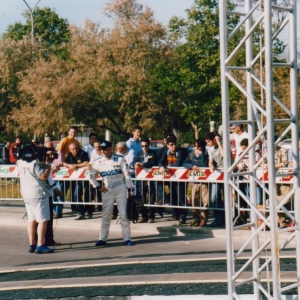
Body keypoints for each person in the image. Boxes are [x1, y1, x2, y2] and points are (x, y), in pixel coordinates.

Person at [89, 140, 133, 246]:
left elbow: (127, 175)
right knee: (106, 214)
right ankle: (102, 238)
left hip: (120, 187)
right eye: (102, 149)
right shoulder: (98, 162)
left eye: (105, 149)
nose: (103, 151)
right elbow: (91, 175)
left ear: (110, 148)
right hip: (107, 189)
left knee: (123, 214)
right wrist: (98, 187)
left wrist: (129, 190)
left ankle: (127, 238)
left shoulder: (120, 159)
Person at [17, 145, 55, 254]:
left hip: (27, 194)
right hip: (38, 194)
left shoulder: (21, 163)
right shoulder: (35, 164)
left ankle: (32, 244)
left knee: (31, 220)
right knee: (43, 220)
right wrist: (49, 165)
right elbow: (43, 176)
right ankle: (40, 244)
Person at [158, 135, 188, 224]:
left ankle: (183, 215)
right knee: (173, 195)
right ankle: (175, 212)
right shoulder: (166, 152)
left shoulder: (180, 151)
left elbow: (178, 164)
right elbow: (161, 161)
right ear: (167, 145)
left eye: (175, 144)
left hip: (181, 178)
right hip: (171, 178)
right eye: (171, 144)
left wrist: (168, 167)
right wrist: (161, 166)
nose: (174, 146)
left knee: (181, 196)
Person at [54, 126, 81, 217]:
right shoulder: (64, 140)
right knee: (61, 190)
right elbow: (58, 152)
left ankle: (75, 208)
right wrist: (60, 163)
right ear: (69, 132)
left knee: (74, 191)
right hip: (65, 168)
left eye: (75, 132)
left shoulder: (77, 142)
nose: (73, 134)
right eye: (71, 132)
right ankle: (58, 212)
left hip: (73, 168)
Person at [183, 138, 209, 227]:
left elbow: (204, 164)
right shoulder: (191, 154)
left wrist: (201, 156)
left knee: (205, 200)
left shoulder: (206, 154)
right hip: (195, 180)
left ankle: (203, 219)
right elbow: (185, 163)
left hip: (204, 180)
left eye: (199, 146)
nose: (196, 148)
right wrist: (192, 165)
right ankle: (195, 218)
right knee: (195, 199)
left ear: (203, 146)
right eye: (195, 146)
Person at [132, 138, 159, 223]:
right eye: (142, 146)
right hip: (141, 180)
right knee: (141, 198)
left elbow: (153, 163)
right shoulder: (139, 153)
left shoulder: (153, 153)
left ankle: (151, 216)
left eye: (146, 146)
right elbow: (134, 162)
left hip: (150, 179)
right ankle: (144, 216)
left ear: (149, 145)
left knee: (151, 198)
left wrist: (142, 165)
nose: (144, 148)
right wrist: (135, 164)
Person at [63, 143, 90, 220]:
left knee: (76, 194)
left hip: (83, 179)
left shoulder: (83, 153)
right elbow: (64, 163)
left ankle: (81, 213)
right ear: (70, 150)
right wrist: (69, 165)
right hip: (74, 179)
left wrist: (76, 166)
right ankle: (81, 212)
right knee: (74, 195)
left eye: (76, 148)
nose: (75, 150)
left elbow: (86, 163)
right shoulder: (69, 155)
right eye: (73, 149)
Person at [43, 141, 62, 247]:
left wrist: (55, 189)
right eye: (48, 154)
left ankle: (49, 239)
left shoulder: (49, 164)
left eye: (52, 153)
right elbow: (45, 177)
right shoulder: (41, 163)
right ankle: (38, 241)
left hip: (48, 193)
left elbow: (50, 177)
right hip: (41, 194)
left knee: (49, 218)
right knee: (41, 219)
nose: (51, 155)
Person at [205, 132, 225, 227]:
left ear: (214, 139)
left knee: (228, 197)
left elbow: (224, 155)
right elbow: (210, 161)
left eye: (209, 142)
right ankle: (218, 218)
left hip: (227, 174)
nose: (208, 144)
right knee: (215, 197)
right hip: (217, 175)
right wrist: (211, 165)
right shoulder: (210, 149)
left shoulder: (224, 145)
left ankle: (227, 217)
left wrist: (219, 142)